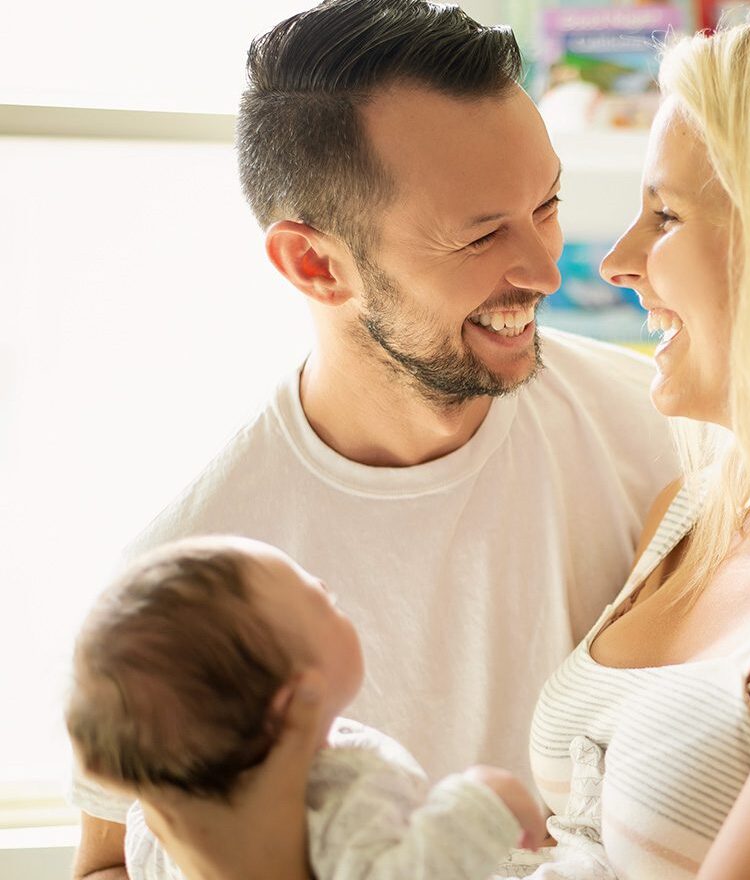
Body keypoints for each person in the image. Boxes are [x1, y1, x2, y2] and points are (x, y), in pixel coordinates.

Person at [147, 19, 750, 880]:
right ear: (314, 266)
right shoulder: (696, 514)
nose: (604, 262)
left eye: (665, 216)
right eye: (480, 230)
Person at [69, 2, 678, 877]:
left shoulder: (663, 437)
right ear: (315, 264)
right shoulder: (193, 579)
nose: (546, 269)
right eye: (479, 234)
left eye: (545, 205)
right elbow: (109, 863)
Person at [68, 536, 549, 880]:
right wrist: (484, 800)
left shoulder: (154, 826)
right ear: (296, 700)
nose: (322, 582)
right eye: (321, 601)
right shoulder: (339, 795)